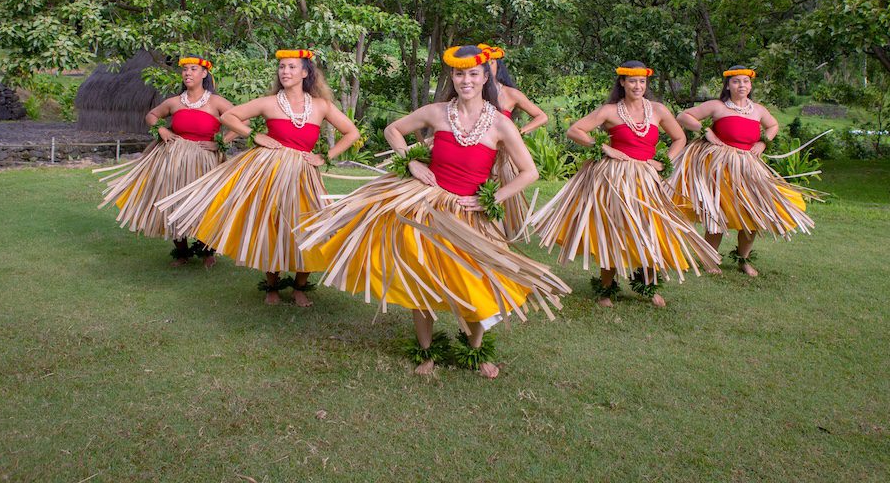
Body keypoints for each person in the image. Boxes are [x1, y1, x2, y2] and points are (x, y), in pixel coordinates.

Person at [296, 45, 569, 379]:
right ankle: (425, 352)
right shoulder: (438, 112)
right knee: (422, 280)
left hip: (469, 215)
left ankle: (475, 350)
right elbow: (392, 130)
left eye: (472, 74)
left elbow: (530, 172)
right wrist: (410, 160)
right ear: (452, 77)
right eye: (459, 74)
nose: (465, 80)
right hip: (427, 208)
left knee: (474, 283)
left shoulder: (500, 124)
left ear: (486, 78)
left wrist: (493, 197)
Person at [161, 49, 360, 306]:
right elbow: (229, 116)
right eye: (282, 68)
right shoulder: (269, 102)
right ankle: (272, 287)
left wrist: (325, 156)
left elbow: (351, 133)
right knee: (273, 227)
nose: (285, 72)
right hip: (271, 172)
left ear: (305, 72)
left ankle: (300, 287)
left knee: (307, 227)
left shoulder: (321, 105)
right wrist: (254, 135)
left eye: (291, 67)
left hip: (303, 174)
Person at [529, 62, 720, 306]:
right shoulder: (609, 111)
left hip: (646, 180)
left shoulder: (658, 110)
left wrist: (663, 162)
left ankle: (647, 287)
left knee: (650, 230)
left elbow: (679, 138)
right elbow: (575, 130)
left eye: (641, 81)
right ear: (622, 83)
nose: (637, 86)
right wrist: (605, 148)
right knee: (613, 230)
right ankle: (606, 289)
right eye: (632, 81)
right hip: (614, 179)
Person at [668, 66, 817, 277]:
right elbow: (683, 116)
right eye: (736, 81)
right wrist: (706, 132)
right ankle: (709, 258)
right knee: (717, 213)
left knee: (752, 214)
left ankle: (743, 259)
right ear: (728, 85)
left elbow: (773, 125)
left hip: (748, 168)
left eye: (745, 82)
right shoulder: (717, 106)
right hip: (720, 168)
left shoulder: (758, 110)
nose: (741, 85)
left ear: (750, 85)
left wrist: (764, 142)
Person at [98, 55, 234, 266]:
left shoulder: (216, 102)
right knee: (173, 203)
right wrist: (161, 129)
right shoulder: (174, 102)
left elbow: (241, 120)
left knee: (206, 205)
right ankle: (181, 253)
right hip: (175, 161)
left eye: (193, 69)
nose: (188, 73)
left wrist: (221, 143)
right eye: (185, 70)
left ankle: (208, 252)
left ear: (204, 74)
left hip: (205, 161)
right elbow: (152, 115)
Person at [480, 43, 549, 240]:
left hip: (501, 156)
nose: (486, 66)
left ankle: (497, 234)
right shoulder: (473, 91)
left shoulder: (510, 94)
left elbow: (541, 116)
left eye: (490, 63)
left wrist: (519, 133)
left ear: (497, 65)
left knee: (499, 195)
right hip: (476, 149)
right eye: (482, 63)